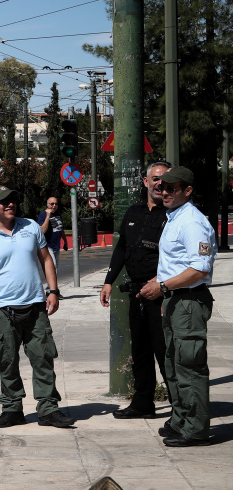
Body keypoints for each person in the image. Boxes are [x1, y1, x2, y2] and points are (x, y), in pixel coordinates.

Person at [0, 185, 76, 428]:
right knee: (7, 359)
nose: (10, 205)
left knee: (43, 357)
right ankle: (12, 408)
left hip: (35, 305)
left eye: (13, 200)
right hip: (2, 310)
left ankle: (48, 409)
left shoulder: (30, 228)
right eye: (3, 201)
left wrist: (53, 290)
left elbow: (46, 259)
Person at [137, 166, 216, 447]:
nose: (164, 190)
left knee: (189, 365)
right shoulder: (174, 218)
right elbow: (176, 262)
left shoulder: (192, 222)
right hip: (175, 300)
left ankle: (196, 429)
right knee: (173, 363)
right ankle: (181, 419)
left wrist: (163, 287)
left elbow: (199, 269)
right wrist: (160, 283)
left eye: (172, 187)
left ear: (188, 190)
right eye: (161, 185)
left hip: (189, 301)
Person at [99, 160, 171, 419]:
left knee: (164, 351)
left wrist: (160, 283)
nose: (159, 185)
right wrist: (109, 281)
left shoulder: (173, 215)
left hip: (161, 294)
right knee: (140, 350)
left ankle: (179, 406)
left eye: (164, 180)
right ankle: (143, 403)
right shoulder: (133, 213)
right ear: (145, 182)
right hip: (136, 293)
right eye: (155, 179)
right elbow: (121, 249)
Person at [35, 196, 65, 268]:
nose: (54, 206)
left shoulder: (58, 214)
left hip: (56, 246)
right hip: (47, 246)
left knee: (55, 268)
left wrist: (65, 242)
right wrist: (48, 216)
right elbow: (42, 230)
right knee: (52, 266)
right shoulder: (43, 215)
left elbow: (60, 229)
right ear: (47, 204)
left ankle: (54, 279)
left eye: (56, 204)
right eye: (52, 204)